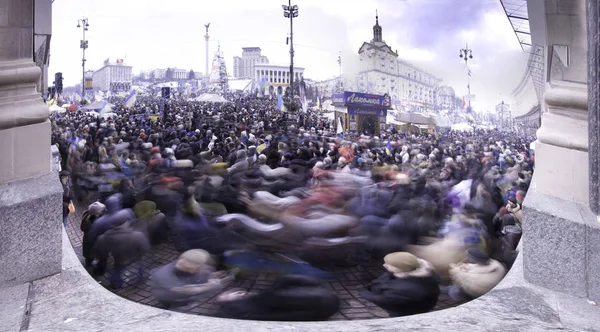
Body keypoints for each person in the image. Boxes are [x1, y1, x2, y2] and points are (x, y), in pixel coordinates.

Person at [360, 252, 440, 317]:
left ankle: (392, 315)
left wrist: (365, 293)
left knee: (398, 316)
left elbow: (384, 300)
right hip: (418, 304)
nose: (384, 265)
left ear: (401, 268)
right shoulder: (425, 274)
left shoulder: (405, 290)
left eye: (389, 264)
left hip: (408, 310)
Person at [150, 249, 230, 308]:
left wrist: (212, 276)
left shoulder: (204, 268)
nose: (181, 262)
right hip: (170, 297)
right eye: (182, 259)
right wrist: (210, 285)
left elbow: (206, 273)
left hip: (190, 291)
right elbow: (182, 289)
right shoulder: (164, 273)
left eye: (189, 261)